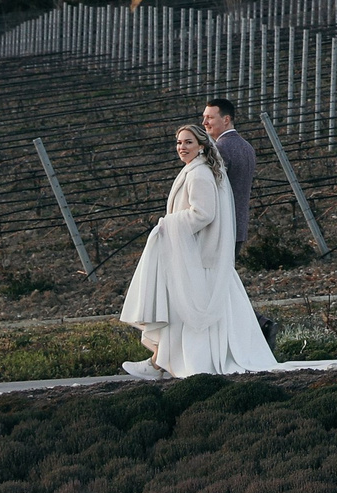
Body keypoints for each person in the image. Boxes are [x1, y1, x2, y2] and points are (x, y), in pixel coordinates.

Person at [116, 125, 278, 378]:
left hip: (196, 256)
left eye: (188, 142)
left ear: (202, 145)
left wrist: (167, 224)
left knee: (185, 311)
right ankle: (164, 361)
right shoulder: (195, 170)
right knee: (196, 312)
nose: (182, 147)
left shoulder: (199, 174)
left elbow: (203, 214)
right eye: (179, 142)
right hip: (196, 254)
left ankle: (164, 363)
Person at [202, 96, 256, 252]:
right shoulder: (247, 147)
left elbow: (210, 188)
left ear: (226, 119)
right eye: (204, 117)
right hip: (239, 227)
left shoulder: (220, 149)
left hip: (221, 229)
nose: (204, 123)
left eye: (210, 118)